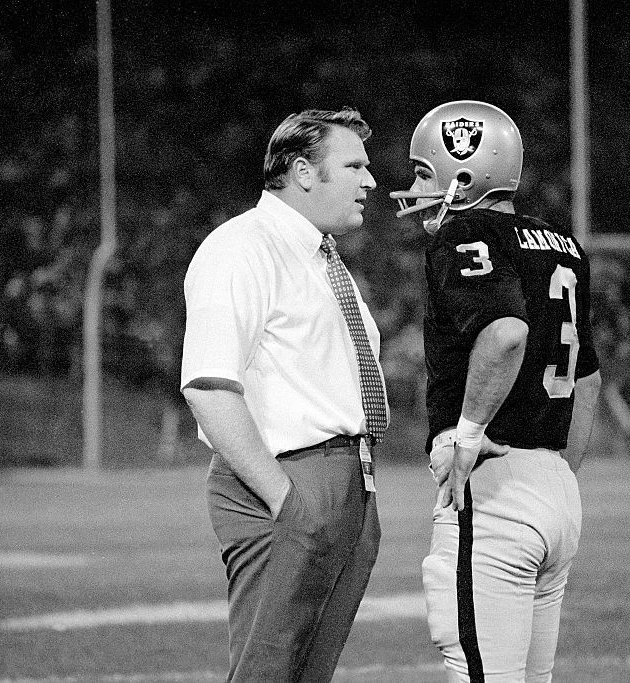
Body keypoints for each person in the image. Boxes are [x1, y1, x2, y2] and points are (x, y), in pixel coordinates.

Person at [390, 100, 602, 682]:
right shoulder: (562, 244)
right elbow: (588, 379)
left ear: (464, 174)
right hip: (556, 491)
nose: (414, 187)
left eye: (424, 172)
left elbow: (506, 333)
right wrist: (555, 474)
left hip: (496, 489)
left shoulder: (467, 231)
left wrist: (467, 433)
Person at [181, 107, 388, 682]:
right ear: (302, 172)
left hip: (345, 481)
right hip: (285, 481)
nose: (370, 180)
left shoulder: (318, 255)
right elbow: (208, 386)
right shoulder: (242, 247)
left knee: (305, 674)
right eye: (354, 165)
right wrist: (285, 500)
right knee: (266, 672)